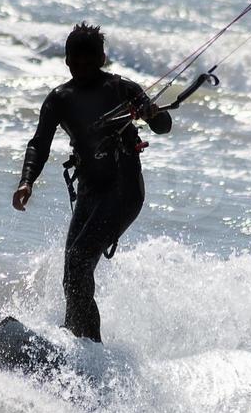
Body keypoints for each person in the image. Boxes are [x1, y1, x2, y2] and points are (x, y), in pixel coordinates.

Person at [12, 23, 172, 343]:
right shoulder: (60, 99)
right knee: (71, 272)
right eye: (76, 62)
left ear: (102, 58)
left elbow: (163, 125)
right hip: (90, 191)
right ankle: (76, 340)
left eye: (89, 62)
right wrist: (26, 181)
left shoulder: (122, 89)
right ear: (67, 61)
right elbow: (39, 144)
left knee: (80, 260)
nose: (82, 69)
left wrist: (152, 113)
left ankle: (90, 349)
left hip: (124, 189)